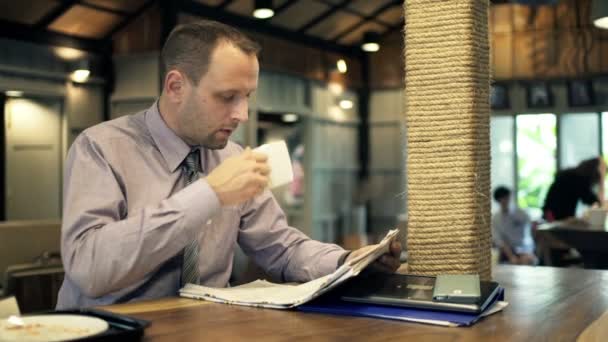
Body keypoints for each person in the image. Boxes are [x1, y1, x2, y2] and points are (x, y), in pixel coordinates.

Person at [56, 20, 401, 309]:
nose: (242, 114)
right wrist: (208, 194)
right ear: (176, 86)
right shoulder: (101, 148)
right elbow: (89, 269)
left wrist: (348, 263)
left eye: (247, 96)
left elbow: (281, 248)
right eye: (227, 97)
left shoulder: (231, 157)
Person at [542, 157, 606, 221]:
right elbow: (597, 202)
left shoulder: (573, 174)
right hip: (553, 217)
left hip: (554, 214)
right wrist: (602, 179)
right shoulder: (578, 179)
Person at [492, 186, 536, 265]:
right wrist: (511, 257)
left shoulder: (521, 213)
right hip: (507, 251)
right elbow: (499, 241)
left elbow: (531, 230)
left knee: (528, 260)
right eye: (502, 198)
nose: (505, 200)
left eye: (506, 197)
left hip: (524, 248)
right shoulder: (495, 219)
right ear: (498, 200)